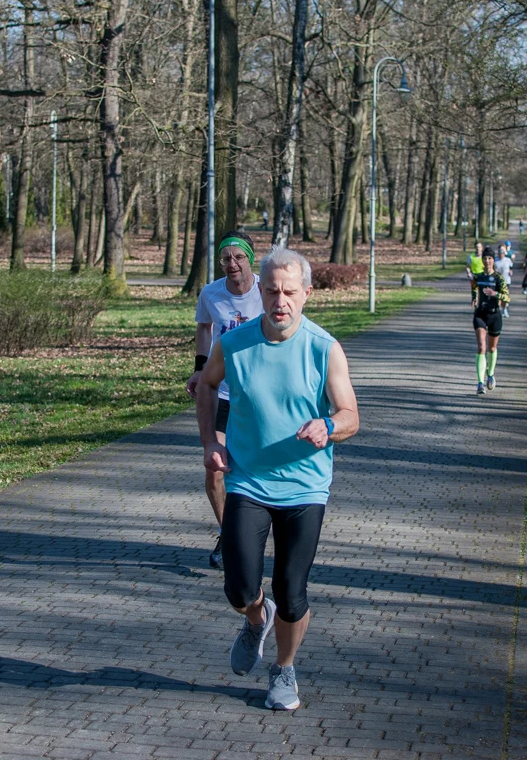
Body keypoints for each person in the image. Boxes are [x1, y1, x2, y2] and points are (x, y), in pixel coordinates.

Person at [196, 248, 359, 711]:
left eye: (290, 292)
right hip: (248, 480)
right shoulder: (235, 343)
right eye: (272, 291)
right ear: (260, 291)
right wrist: (211, 441)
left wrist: (328, 427)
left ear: (306, 294)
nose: (280, 301)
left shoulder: (324, 348)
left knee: (292, 594)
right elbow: (206, 384)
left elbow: (351, 415)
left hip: (306, 487)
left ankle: (284, 671)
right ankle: (253, 619)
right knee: (239, 587)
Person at [186, 231, 264, 570]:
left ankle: (256, 531)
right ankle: (228, 533)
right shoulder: (211, 293)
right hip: (222, 391)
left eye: (238, 257)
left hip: (259, 395)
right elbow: (204, 328)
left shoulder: (267, 291)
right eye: (225, 258)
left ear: (250, 259)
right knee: (215, 467)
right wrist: (200, 369)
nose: (232, 264)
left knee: (255, 468)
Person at [471, 249, 509, 394]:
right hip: (480, 314)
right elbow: (474, 287)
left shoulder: (498, 278)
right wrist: (474, 298)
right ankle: (480, 383)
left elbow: (507, 297)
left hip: (494, 315)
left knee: (492, 348)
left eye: (489, 258)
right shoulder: (478, 277)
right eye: (485, 258)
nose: (487, 261)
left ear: (493, 260)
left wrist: (495, 294)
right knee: (481, 347)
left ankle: (490, 374)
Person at [494, 245, 514, 318]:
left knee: (505, 296)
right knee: (498, 296)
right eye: (499, 252)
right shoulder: (495, 260)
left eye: (502, 252)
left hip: (506, 280)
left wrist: (511, 272)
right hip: (497, 281)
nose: (501, 253)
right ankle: (498, 309)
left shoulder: (508, 260)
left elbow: (511, 267)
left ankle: (505, 309)